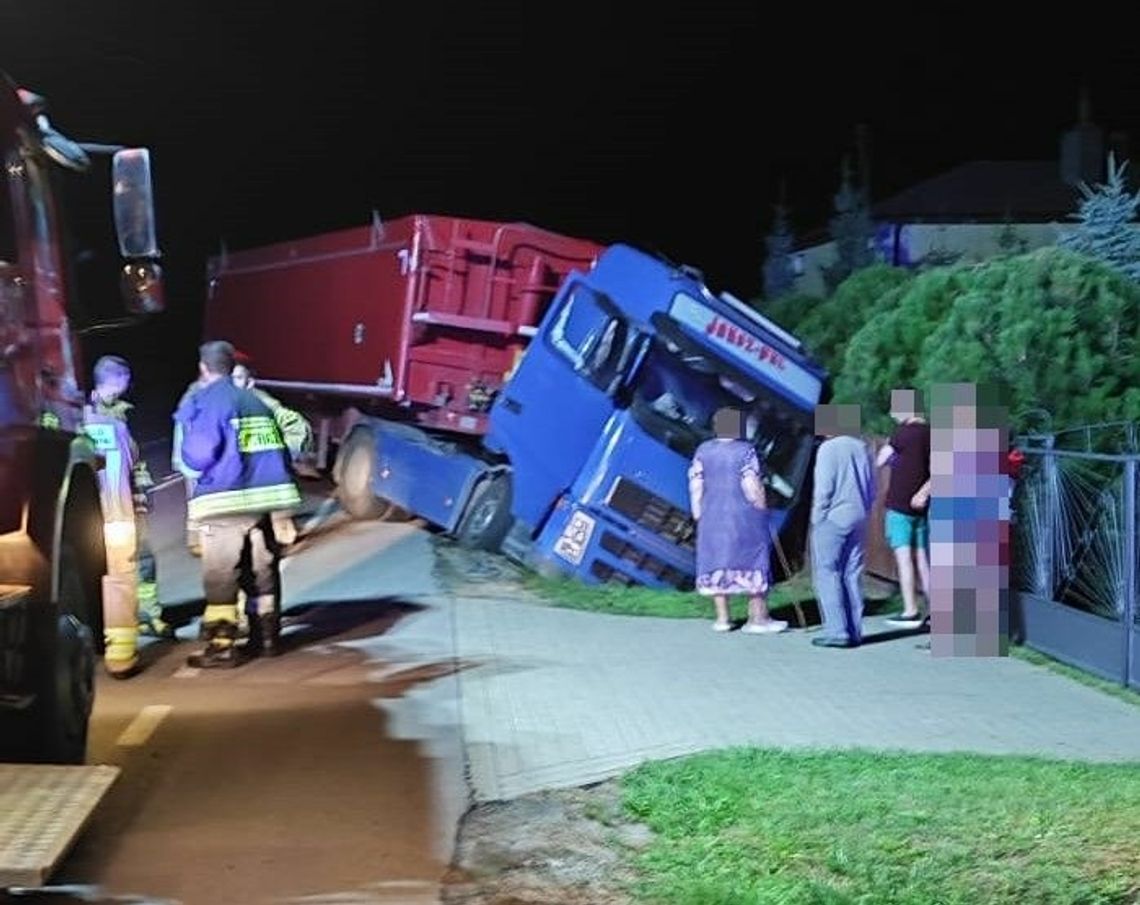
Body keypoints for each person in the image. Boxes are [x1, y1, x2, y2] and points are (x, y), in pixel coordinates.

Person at [175, 340, 302, 668]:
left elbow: (198, 455)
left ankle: (221, 648)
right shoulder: (254, 401)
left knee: (221, 576)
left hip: (224, 502)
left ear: (204, 368)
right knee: (260, 571)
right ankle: (267, 637)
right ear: (232, 367)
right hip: (260, 505)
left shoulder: (212, 401)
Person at [82, 356, 174, 652]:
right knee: (107, 563)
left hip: (126, 502)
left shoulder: (122, 415)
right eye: (125, 380)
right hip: (98, 507)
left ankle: (150, 613)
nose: (127, 387)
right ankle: (109, 621)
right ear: (115, 380)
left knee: (144, 558)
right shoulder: (81, 415)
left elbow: (134, 458)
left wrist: (143, 494)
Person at [687, 406, 788, 634]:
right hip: (742, 516)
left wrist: (698, 512)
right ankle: (758, 619)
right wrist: (762, 507)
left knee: (716, 561)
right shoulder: (746, 451)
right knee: (753, 560)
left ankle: (723, 619)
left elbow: (696, 484)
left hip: (711, 515)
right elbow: (751, 484)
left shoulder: (703, 451)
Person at [809, 404, 876, 648]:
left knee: (828, 573)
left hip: (834, 517)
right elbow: (872, 486)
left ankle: (837, 631)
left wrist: (817, 518)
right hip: (859, 515)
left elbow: (824, 488)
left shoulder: (828, 449)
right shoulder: (862, 447)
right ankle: (855, 630)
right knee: (852, 573)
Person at [878, 389, 932, 629]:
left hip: (899, 505)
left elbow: (881, 459)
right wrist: (923, 492)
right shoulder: (931, 433)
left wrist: (890, 459)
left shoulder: (902, 434)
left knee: (904, 558)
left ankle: (910, 610)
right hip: (920, 508)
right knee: (922, 559)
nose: (892, 414)